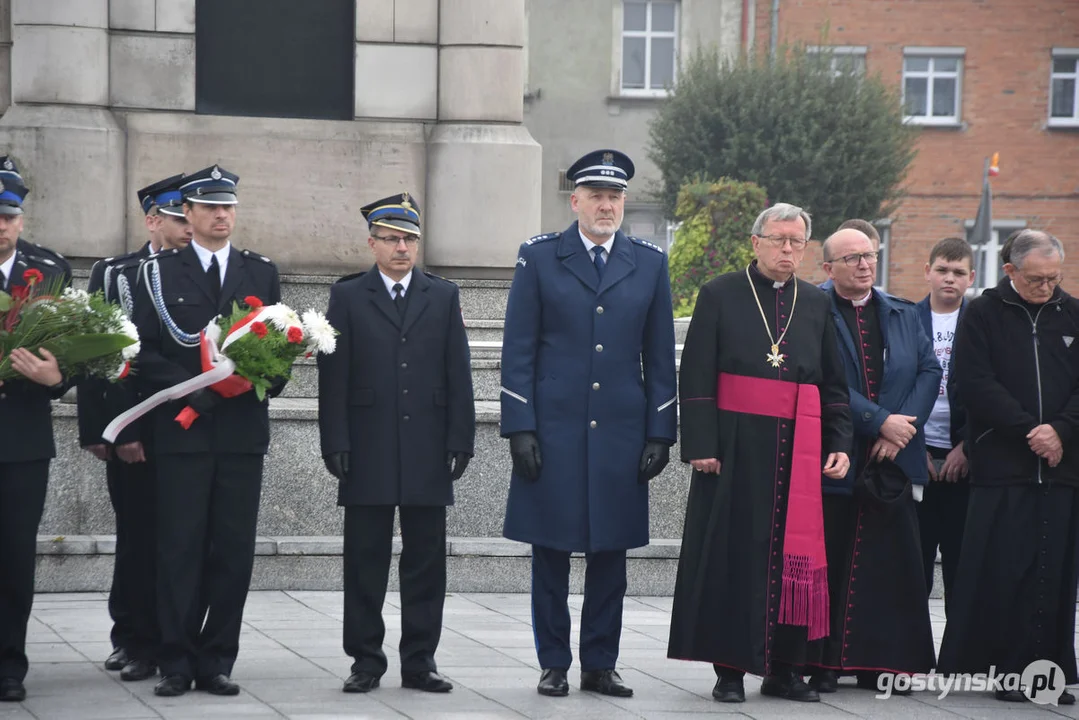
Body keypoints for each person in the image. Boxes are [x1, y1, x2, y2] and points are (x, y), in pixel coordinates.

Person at [500, 149, 677, 699]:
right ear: (574, 201)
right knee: (549, 552)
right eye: (596, 195)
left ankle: (601, 663)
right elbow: (519, 348)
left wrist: (660, 432)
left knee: (611, 555)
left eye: (615, 196)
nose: (606, 205)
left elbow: (659, 351)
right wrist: (519, 426)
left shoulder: (647, 262)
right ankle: (553, 662)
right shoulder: (540, 257)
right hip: (552, 430)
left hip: (621, 433)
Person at [667, 203, 851, 704]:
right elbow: (697, 373)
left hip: (800, 451)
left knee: (795, 556)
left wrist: (840, 443)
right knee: (734, 555)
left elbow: (833, 383)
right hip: (734, 449)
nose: (788, 250)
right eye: (778, 240)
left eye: (797, 242)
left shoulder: (816, 302)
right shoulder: (720, 293)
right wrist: (701, 444)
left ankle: (785, 670)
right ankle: (729, 670)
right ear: (756, 242)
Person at [131, 165, 284, 698]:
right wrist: (190, 388)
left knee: (232, 549)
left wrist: (253, 380)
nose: (222, 216)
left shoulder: (260, 272)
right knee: (180, 546)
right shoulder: (160, 272)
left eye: (229, 207)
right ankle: (175, 660)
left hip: (241, 432)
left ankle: (217, 658)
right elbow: (143, 350)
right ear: (188, 214)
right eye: (210, 207)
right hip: (183, 430)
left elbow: (283, 344)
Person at [318, 192, 475, 695]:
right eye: (391, 239)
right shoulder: (347, 296)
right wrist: (334, 440)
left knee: (426, 562)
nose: (402, 248)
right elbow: (333, 377)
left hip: (429, 446)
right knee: (365, 559)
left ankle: (420, 661)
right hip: (367, 446)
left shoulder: (442, 295)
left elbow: (458, 372)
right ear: (372, 243)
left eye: (409, 239)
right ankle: (366, 660)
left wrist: (461, 438)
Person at [939, 230, 1079, 705]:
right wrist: (1031, 431)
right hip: (1004, 462)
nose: (1047, 287)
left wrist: (1060, 429)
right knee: (1007, 569)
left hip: (1062, 467)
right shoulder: (982, 312)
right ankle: (1008, 671)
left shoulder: (1073, 313)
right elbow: (974, 382)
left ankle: (1049, 673)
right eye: (1037, 279)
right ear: (1011, 271)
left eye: (1054, 278)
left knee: (1054, 571)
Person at [806, 227, 939, 693]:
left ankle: (882, 663)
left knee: (890, 566)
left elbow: (929, 369)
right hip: (840, 452)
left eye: (870, 255)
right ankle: (823, 663)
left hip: (892, 459)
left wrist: (903, 428)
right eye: (853, 258)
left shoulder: (901, 311)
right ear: (828, 268)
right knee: (836, 558)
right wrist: (878, 420)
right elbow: (823, 379)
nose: (865, 264)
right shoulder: (813, 309)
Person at [77, 173, 189, 682]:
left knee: (179, 540)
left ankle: (171, 639)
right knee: (138, 535)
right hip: (134, 427)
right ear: (152, 220)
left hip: (187, 428)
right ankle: (132, 637)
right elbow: (96, 353)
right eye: (178, 218)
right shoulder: (114, 271)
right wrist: (106, 431)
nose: (189, 227)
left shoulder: (200, 273)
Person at [0, 169, 72, 703]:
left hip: (21, 439)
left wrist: (56, 380)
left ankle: (8, 666)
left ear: (21, 219)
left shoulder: (47, 271)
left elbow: (67, 353)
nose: (1, 227)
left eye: (7, 217)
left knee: (13, 556)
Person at [915, 237, 974, 612]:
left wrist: (968, 446)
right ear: (928, 272)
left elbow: (991, 388)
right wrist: (912, 447)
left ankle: (959, 657)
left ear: (970, 278)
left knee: (961, 562)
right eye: (942, 270)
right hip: (915, 453)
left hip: (965, 457)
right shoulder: (905, 317)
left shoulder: (981, 321)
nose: (949, 279)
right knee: (913, 561)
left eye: (958, 272)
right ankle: (908, 657)